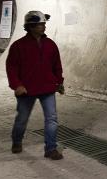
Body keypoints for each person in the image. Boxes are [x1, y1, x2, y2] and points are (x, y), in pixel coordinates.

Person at [6, 10, 66, 160]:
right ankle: (17, 141)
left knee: (51, 119)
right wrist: (17, 85)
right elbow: (11, 68)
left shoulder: (50, 45)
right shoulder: (18, 46)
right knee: (22, 119)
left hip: (47, 88)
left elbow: (57, 66)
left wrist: (59, 82)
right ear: (31, 26)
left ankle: (50, 149)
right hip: (27, 90)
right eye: (40, 24)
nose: (44, 26)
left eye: (44, 24)